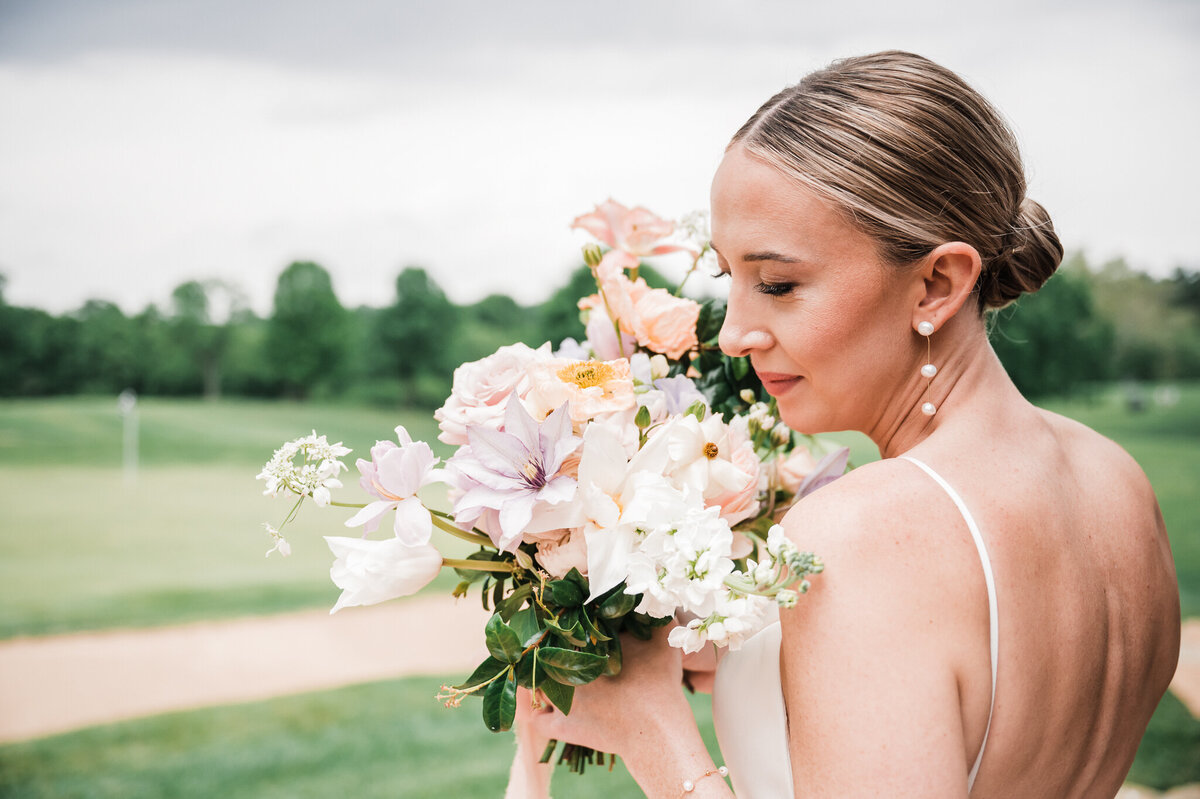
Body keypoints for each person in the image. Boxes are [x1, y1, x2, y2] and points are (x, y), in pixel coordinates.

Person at [512, 50, 1181, 797]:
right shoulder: (1117, 478)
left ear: (937, 283)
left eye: (778, 283)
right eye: (729, 278)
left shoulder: (860, 537)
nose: (732, 333)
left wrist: (658, 739)